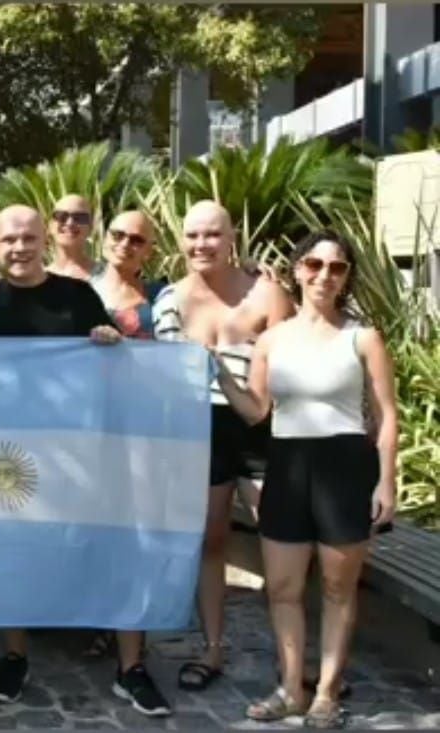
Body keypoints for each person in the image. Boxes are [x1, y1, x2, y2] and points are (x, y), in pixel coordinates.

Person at [213, 231, 397, 729]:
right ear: (296, 270)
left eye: (336, 268)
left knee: (339, 591)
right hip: (288, 467)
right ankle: (291, 689)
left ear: (346, 277)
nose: (324, 275)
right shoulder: (273, 339)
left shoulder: (363, 337)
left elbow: (385, 417)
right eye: (314, 264)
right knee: (283, 588)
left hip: (344, 467)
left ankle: (326, 694)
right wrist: (219, 373)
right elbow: (257, 411)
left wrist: (386, 484)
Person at [0, 205, 121, 704]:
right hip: (4, 451)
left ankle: (90, 625)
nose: (19, 247)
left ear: (43, 241)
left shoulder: (77, 296)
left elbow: (112, 358)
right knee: (8, 551)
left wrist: (108, 340)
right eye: (10, 239)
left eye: (29, 238)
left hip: (69, 446)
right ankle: (14, 654)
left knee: (77, 542)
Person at [151, 200, 296, 692]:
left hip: (262, 431)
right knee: (211, 541)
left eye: (212, 235)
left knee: (282, 544)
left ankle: (292, 660)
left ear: (232, 237)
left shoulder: (268, 293)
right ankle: (211, 650)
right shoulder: (168, 299)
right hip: (199, 434)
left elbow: (293, 368)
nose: (201, 244)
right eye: (192, 235)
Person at [87, 211, 172, 716]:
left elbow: (179, 353)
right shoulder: (76, 290)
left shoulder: (162, 298)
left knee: (136, 544)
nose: (125, 243)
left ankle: (131, 667)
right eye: (117, 234)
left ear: (150, 249)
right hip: (82, 440)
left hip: (141, 437)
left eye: (137, 239)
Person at [46, 194, 101, 281]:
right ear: (50, 226)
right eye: (61, 216)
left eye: (80, 218)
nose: (70, 223)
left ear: (90, 227)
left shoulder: (109, 277)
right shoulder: (36, 281)